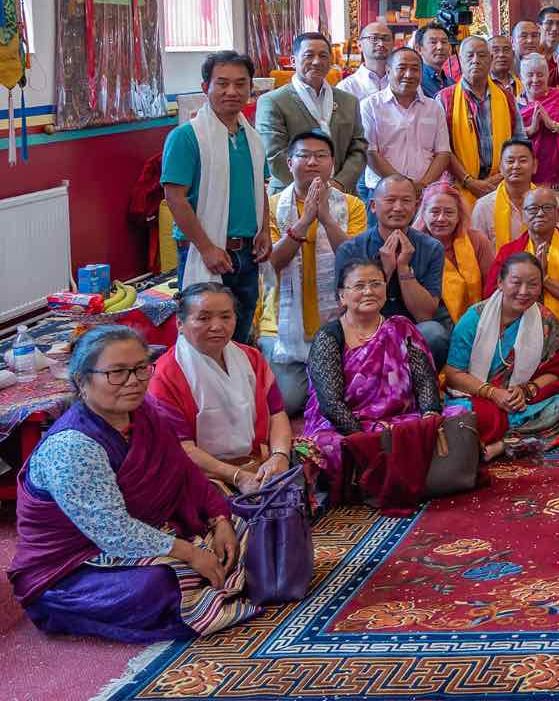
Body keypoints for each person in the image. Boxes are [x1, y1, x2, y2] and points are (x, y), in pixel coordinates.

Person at [7, 326, 255, 642]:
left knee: (243, 521)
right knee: (158, 584)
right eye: (117, 373)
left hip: (150, 529)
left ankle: (211, 575)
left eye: (140, 368)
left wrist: (219, 520)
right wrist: (191, 554)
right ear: (82, 380)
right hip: (74, 566)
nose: (133, 381)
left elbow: (183, 471)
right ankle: (205, 584)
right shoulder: (72, 447)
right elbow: (115, 532)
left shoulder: (146, 412)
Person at [301, 260, 445, 485]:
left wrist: (430, 417)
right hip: (346, 425)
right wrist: (365, 440)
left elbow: (424, 380)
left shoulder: (400, 328)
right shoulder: (329, 337)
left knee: (454, 417)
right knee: (329, 446)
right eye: (359, 286)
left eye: (376, 284)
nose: (369, 291)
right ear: (342, 296)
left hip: (400, 418)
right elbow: (330, 403)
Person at [162, 51, 269, 336]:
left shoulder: (252, 138)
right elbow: (175, 198)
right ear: (205, 87)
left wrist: (264, 231)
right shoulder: (186, 137)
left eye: (240, 84)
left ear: (251, 88)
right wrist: (207, 248)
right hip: (204, 251)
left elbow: (260, 187)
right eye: (222, 83)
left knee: (241, 331)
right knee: (205, 333)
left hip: (247, 252)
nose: (232, 91)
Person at [149, 284, 294, 494]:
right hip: (202, 474)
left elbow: (277, 413)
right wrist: (238, 477)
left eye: (226, 317)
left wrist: (280, 455)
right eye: (204, 318)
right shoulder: (165, 376)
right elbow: (181, 448)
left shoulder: (251, 357)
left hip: (258, 461)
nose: (217, 326)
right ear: (180, 324)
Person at [261, 131, 367, 413]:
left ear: (332, 163)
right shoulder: (270, 207)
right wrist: (305, 220)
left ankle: (321, 381)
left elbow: (355, 264)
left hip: (339, 322)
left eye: (321, 156)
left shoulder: (352, 206)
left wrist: (326, 219)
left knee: (353, 395)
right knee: (288, 402)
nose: (312, 162)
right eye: (304, 155)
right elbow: (271, 263)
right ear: (289, 162)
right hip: (281, 328)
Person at [442, 254, 559, 460]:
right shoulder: (474, 318)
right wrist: (492, 393)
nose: (524, 292)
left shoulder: (547, 322)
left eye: (533, 284)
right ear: (500, 282)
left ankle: (502, 445)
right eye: (516, 283)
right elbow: (453, 374)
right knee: (461, 416)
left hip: (521, 404)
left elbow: (556, 371)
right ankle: (525, 438)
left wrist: (526, 390)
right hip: (477, 397)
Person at [333, 175, 451, 366]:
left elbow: (424, 315)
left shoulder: (431, 248)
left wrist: (404, 269)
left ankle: (414, 384)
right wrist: (384, 272)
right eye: (390, 200)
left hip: (412, 330)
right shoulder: (351, 249)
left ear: (416, 206)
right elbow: (346, 309)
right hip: (366, 329)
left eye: (406, 201)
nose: (398, 207)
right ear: (373, 205)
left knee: (434, 333)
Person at [257, 31, 368, 195]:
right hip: (292, 195)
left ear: (330, 61)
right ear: (293, 61)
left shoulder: (348, 101)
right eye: (309, 55)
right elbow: (274, 155)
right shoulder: (273, 101)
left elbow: (359, 148)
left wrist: (338, 184)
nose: (316, 62)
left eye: (323, 56)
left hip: (341, 194)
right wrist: (311, 190)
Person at [490, 186, 559, 348]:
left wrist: (544, 278)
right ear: (523, 215)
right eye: (532, 209)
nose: (540, 213)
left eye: (547, 208)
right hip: (517, 337)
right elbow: (495, 299)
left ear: (558, 214)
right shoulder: (509, 252)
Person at [440, 35, 527, 206]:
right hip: (459, 187)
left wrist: (503, 174)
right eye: (470, 55)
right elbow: (443, 149)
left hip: (501, 183)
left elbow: (520, 141)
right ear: (460, 60)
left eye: (481, 55)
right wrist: (468, 181)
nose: (476, 60)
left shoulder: (506, 97)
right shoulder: (445, 99)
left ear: (490, 59)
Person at [360, 46, 452, 198]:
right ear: (388, 71)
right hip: (383, 193)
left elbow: (443, 152)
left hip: (425, 194)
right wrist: (405, 186)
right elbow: (370, 153)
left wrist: (423, 185)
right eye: (402, 68)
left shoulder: (434, 108)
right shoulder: (370, 106)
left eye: (415, 69)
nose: (408, 74)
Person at [414, 182, 495, 323]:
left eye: (449, 212)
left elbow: (492, 285)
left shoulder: (476, 240)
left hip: (478, 314)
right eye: (435, 212)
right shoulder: (413, 246)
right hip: (433, 316)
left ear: (459, 216)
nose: (441, 218)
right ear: (424, 215)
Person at [517, 51, 559, 186]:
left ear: (547, 75)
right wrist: (530, 130)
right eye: (530, 75)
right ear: (521, 77)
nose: (535, 80)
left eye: (540, 75)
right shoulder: (514, 104)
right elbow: (508, 138)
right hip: (528, 182)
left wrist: (553, 125)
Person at [469, 139, 537, 252]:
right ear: (501, 167)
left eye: (523, 161)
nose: (516, 166)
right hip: (498, 263)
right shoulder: (483, 206)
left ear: (534, 166)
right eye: (510, 161)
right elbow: (477, 251)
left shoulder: (546, 203)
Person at [338, 21, 393, 103]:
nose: (381, 43)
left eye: (386, 39)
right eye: (374, 38)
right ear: (360, 45)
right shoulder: (346, 88)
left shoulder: (403, 82)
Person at [417, 22, 454, 98]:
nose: (440, 47)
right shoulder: (416, 81)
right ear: (419, 49)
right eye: (433, 42)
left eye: (444, 42)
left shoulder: (451, 83)